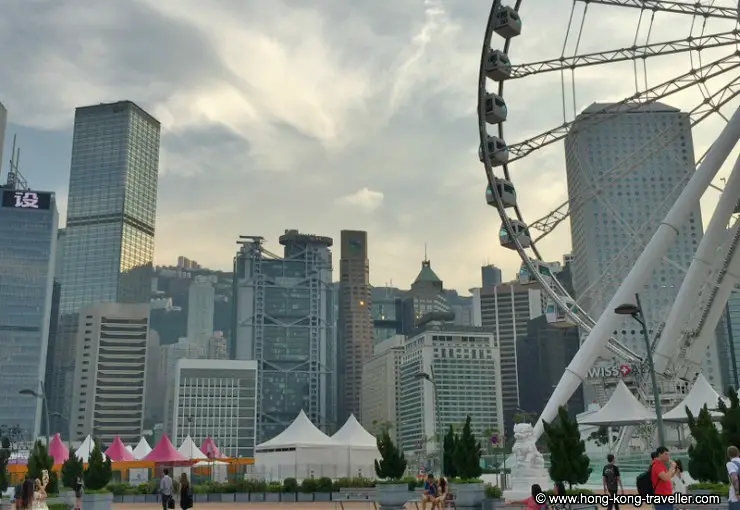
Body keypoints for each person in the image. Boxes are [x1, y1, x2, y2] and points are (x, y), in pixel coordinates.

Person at [726, 445, 740, 510]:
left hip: (735, 498)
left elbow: (734, 478)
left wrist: (737, 493)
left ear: (728, 455)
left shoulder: (730, 464)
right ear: (738, 453)